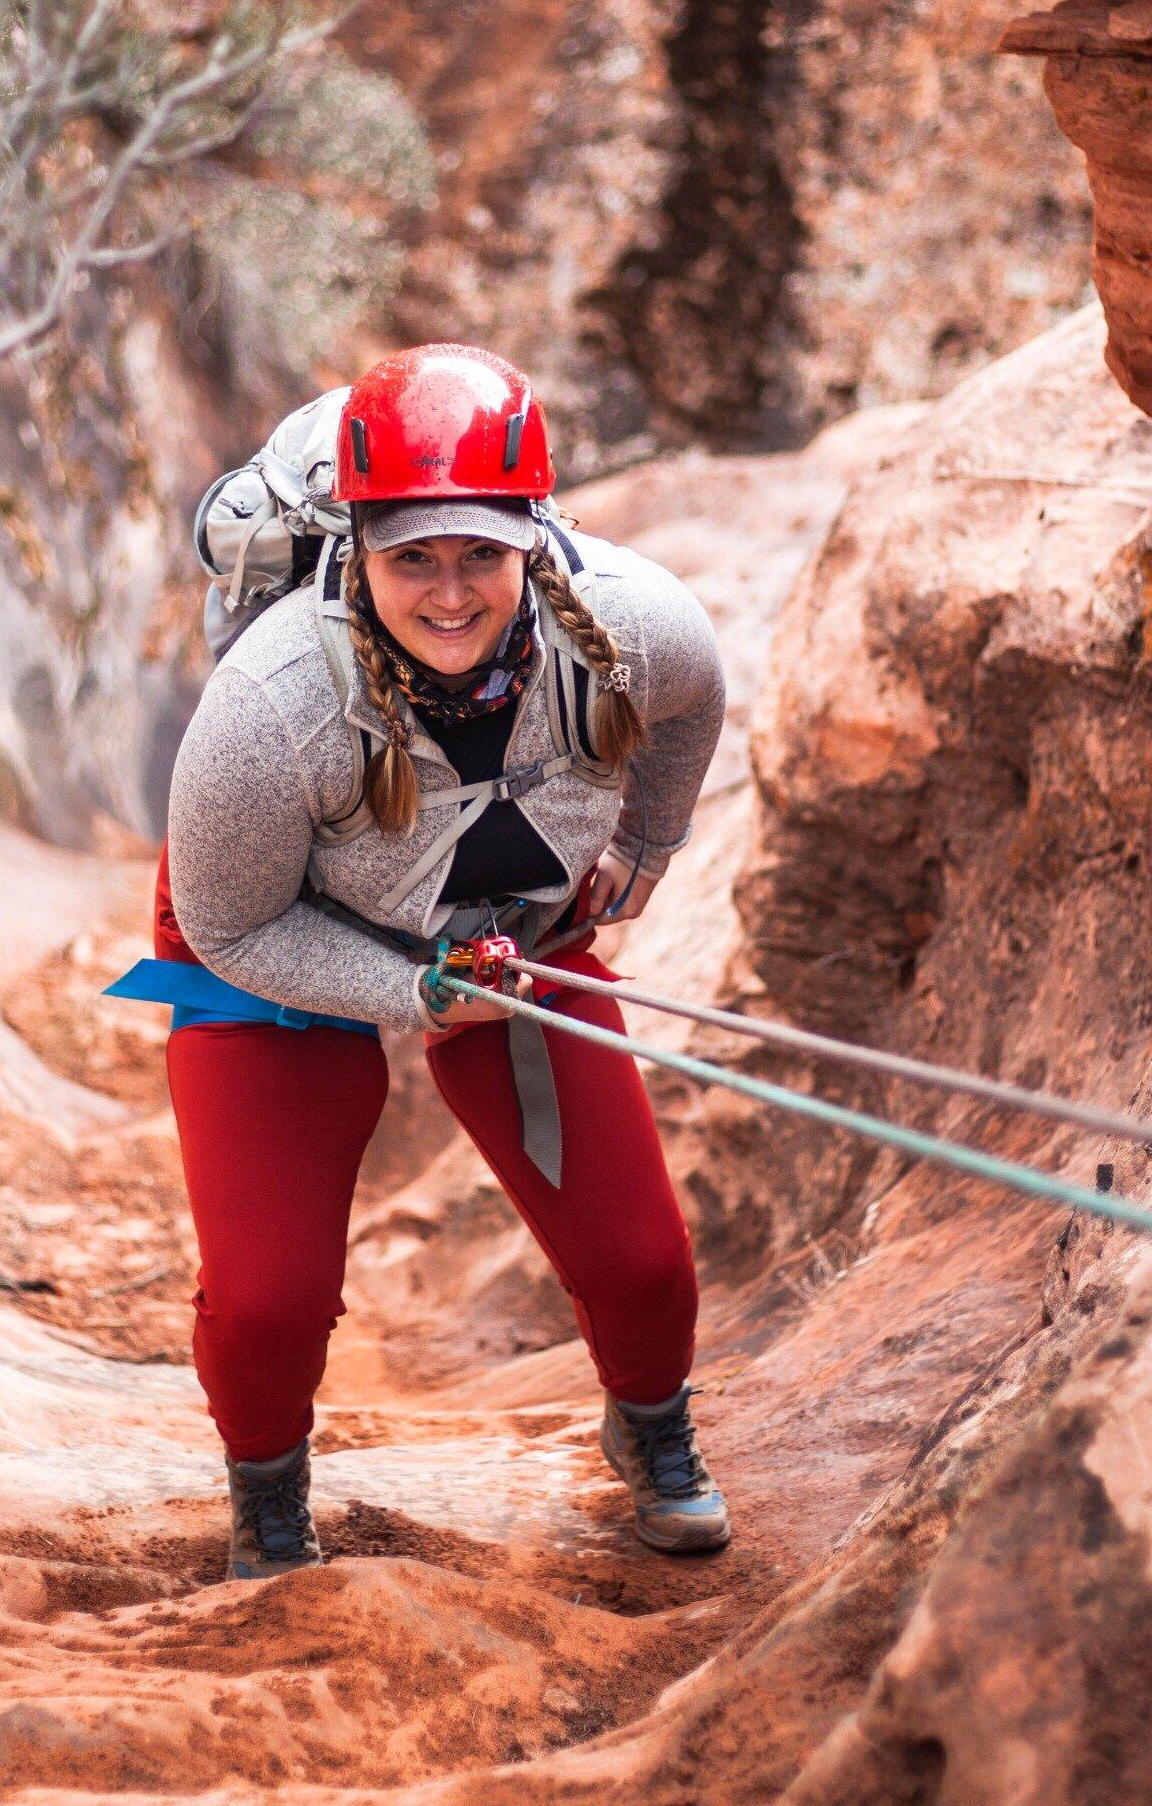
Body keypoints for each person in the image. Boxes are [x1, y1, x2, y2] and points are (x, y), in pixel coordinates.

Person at [119, 342, 731, 1579]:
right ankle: (269, 1497)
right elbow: (235, 927)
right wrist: (408, 993)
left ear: (531, 538)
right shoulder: (269, 705)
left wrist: (649, 847)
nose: (450, 592)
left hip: (509, 939)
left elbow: (694, 699)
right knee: (268, 1301)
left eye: (478, 556)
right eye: (414, 559)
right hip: (264, 954)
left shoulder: (630, 627)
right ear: (358, 550)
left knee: (645, 1262)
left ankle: (654, 1432)